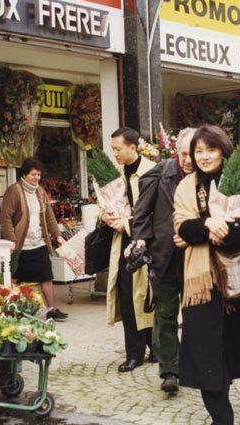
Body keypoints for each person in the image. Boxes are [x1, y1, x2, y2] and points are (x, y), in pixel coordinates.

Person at [173, 124, 240, 423]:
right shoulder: (187, 187)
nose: (204, 156)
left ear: (223, 150)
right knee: (206, 353)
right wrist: (207, 224)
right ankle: (222, 417)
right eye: (198, 151)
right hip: (203, 283)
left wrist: (226, 231)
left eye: (211, 149)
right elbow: (181, 227)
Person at [126, 127, 196, 393]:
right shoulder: (160, 173)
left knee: (195, 317)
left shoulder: (206, 176)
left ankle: (194, 366)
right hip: (164, 256)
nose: (188, 160)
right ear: (176, 150)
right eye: (183, 154)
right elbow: (142, 212)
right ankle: (169, 371)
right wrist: (141, 239)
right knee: (166, 315)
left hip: (195, 259)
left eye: (192, 154)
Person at [102, 126, 156, 372]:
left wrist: (126, 223)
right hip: (123, 243)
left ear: (133, 147)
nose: (115, 154)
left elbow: (157, 212)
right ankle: (134, 353)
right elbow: (106, 203)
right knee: (127, 297)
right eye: (112, 149)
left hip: (150, 243)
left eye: (118, 149)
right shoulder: (115, 173)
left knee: (149, 296)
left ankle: (156, 347)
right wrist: (105, 216)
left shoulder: (152, 171)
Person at [0, 157, 68, 321]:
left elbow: (49, 216)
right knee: (14, 278)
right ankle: (11, 309)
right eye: (33, 174)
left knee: (46, 276)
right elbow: (5, 217)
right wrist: (11, 240)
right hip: (20, 245)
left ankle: (51, 309)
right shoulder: (14, 191)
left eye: (38, 174)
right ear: (24, 174)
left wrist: (58, 236)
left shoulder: (40, 191)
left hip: (38, 243)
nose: (36, 177)